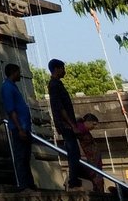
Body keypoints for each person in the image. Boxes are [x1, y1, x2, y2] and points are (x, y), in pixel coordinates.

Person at [47, 58, 82, 187]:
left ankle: (74, 179)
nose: (64, 71)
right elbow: (59, 106)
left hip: (65, 123)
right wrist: (72, 124)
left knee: (74, 151)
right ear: (57, 69)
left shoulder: (56, 84)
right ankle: (73, 180)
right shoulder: (54, 85)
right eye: (62, 68)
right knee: (73, 151)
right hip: (65, 124)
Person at [1, 64, 34, 190]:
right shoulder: (7, 87)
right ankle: (24, 184)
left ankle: (29, 183)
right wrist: (19, 128)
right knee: (21, 156)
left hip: (24, 126)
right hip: (19, 127)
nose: (20, 74)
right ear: (14, 72)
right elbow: (11, 110)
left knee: (26, 157)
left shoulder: (12, 87)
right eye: (18, 72)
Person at [74, 113, 104, 192]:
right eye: (93, 124)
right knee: (95, 181)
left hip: (93, 161)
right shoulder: (80, 129)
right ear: (87, 122)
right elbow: (76, 140)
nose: (94, 127)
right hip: (87, 160)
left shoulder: (85, 130)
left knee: (97, 180)